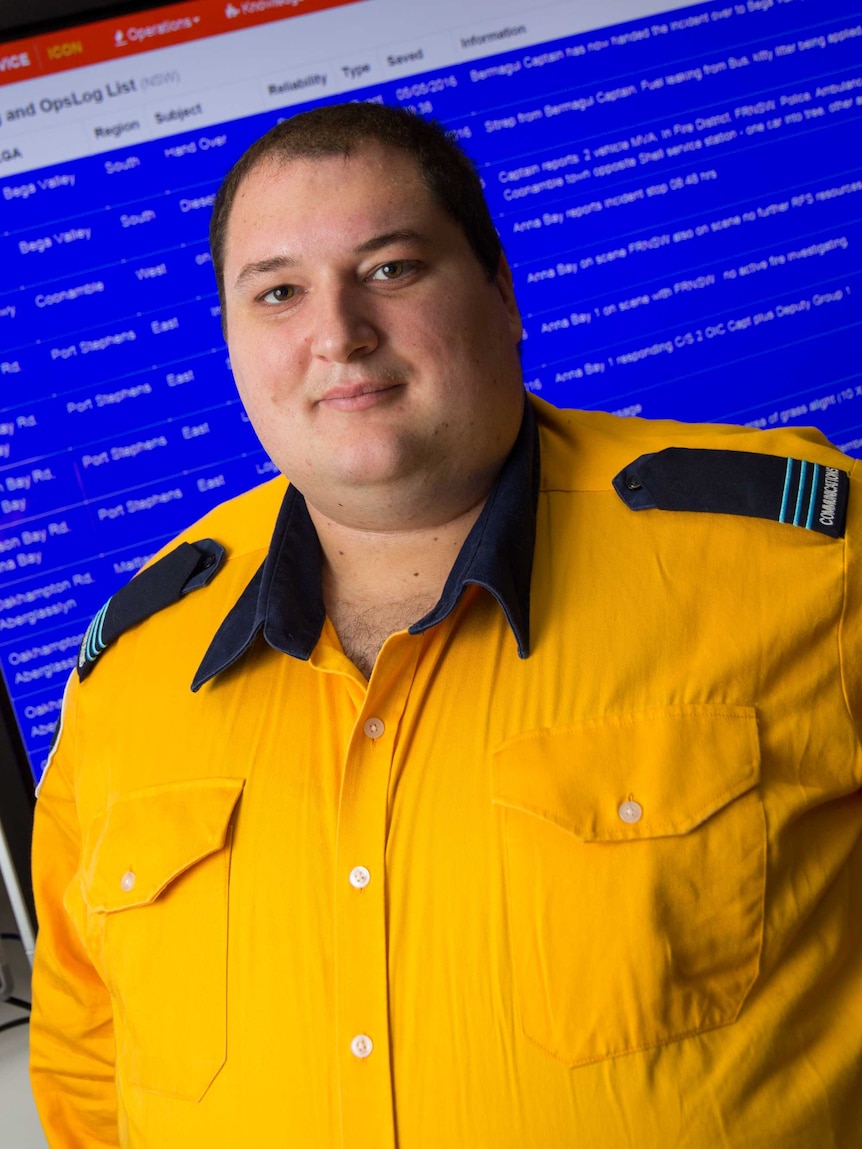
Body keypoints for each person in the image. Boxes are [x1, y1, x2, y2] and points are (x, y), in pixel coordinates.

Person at [30, 103, 861, 1148]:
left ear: (501, 291)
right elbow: (86, 1058)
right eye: (278, 293)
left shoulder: (804, 563)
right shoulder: (134, 668)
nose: (336, 334)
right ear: (235, 346)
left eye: (390, 269)